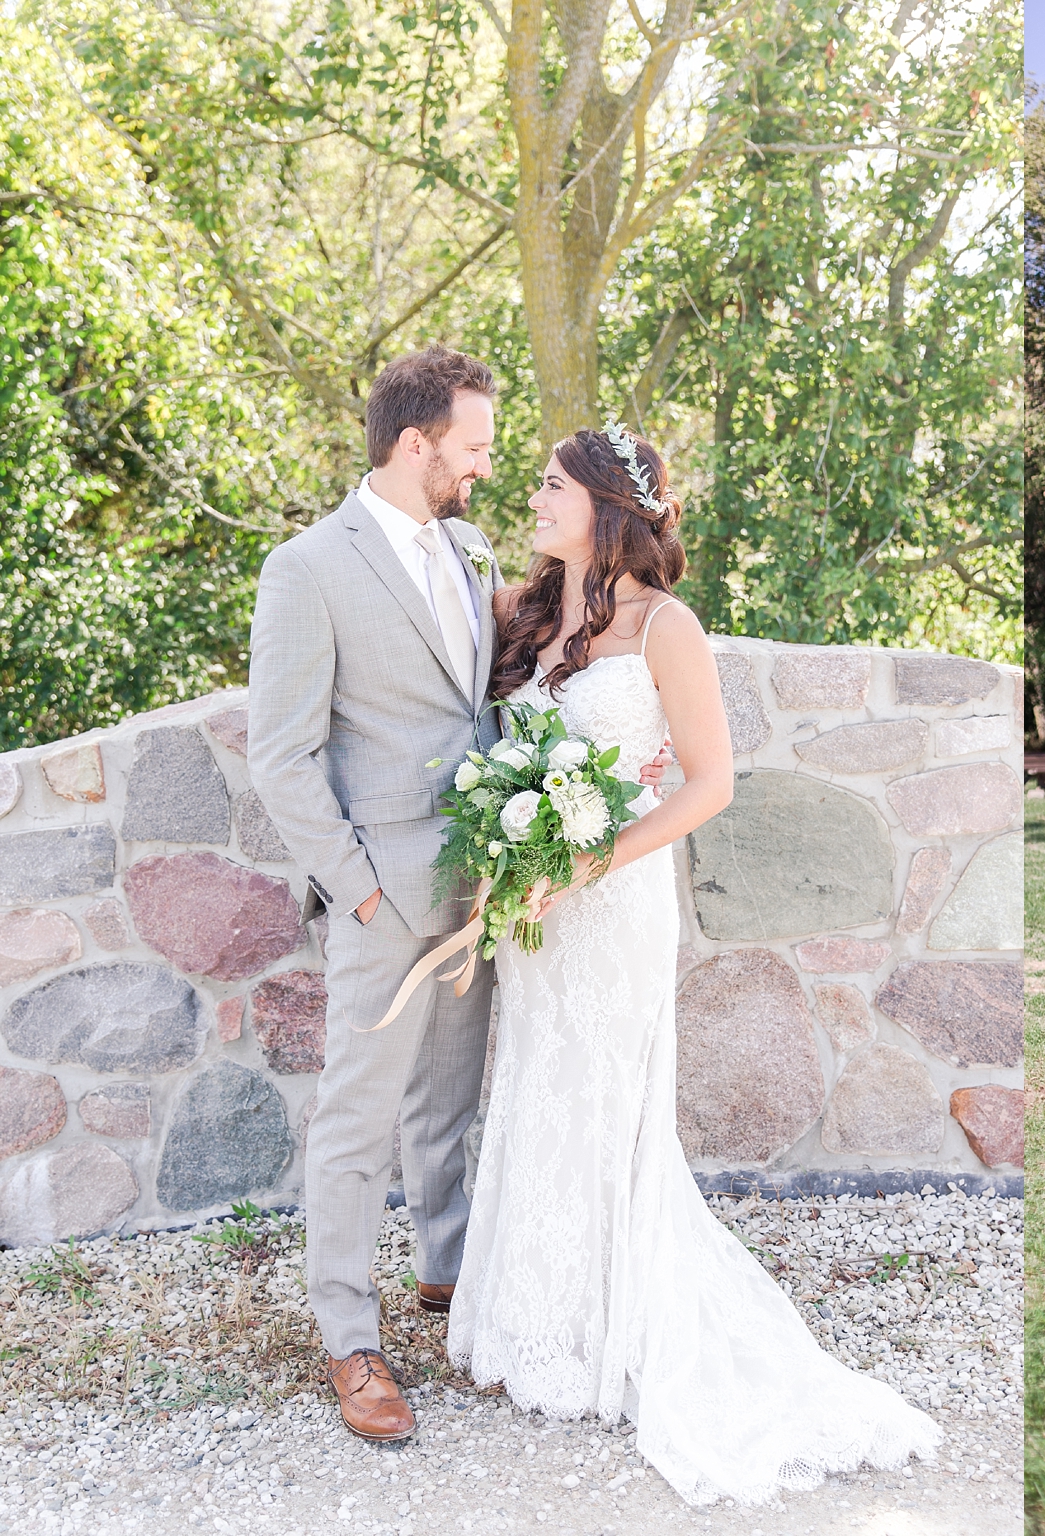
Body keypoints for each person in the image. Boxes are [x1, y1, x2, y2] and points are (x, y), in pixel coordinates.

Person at [447, 426, 939, 1503]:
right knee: (537, 1083)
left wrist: (580, 865)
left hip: (609, 899)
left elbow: (707, 784)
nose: (531, 497)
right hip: (537, 903)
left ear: (606, 506)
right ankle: (535, 1324)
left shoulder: (667, 627)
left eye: (550, 485)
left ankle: (610, 1337)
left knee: (607, 1097)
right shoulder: (523, 612)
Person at [244, 348, 665, 1442]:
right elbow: (282, 758)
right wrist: (360, 894)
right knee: (357, 1117)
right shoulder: (307, 569)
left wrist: (614, 769)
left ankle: (445, 1274)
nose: (486, 468)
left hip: (485, 888)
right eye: (473, 447)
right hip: (382, 893)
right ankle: (350, 1338)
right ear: (415, 443)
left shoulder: (474, 549)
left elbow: (521, 686)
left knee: (447, 1101)